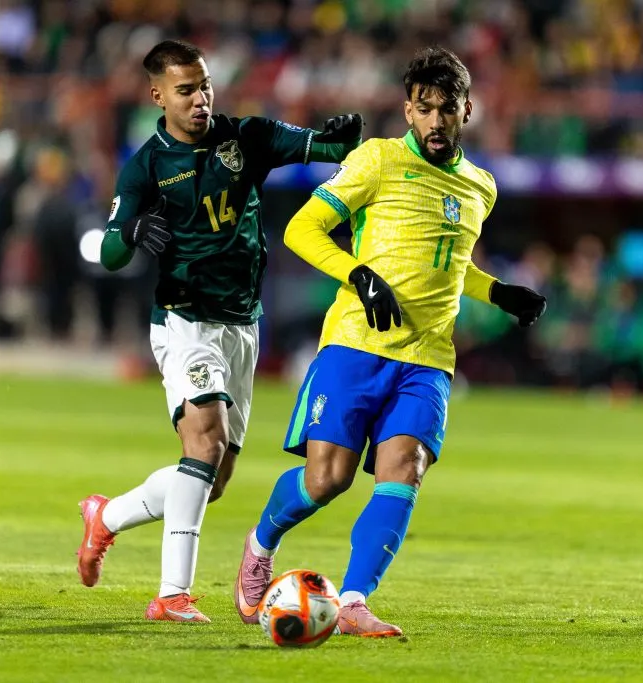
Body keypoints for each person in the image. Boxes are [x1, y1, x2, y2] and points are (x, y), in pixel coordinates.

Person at [233, 46, 547, 637]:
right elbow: (303, 228)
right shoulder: (376, 161)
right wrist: (360, 274)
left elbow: (449, 265)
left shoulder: (482, 187)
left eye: (446, 109)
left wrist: (498, 291)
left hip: (428, 358)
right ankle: (260, 543)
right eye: (424, 108)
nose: (434, 120)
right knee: (328, 480)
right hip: (356, 343)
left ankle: (352, 600)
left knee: (406, 468)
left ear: (466, 111)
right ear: (407, 110)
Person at [76, 39, 364, 623]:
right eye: (186, 90)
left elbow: (324, 146)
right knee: (202, 444)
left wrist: (344, 134)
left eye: (205, 85)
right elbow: (107, 252)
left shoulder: (244, 138)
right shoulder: (146, 166)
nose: (201, 99)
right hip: (185, 322)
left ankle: (104, 517)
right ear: (158, 96)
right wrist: (135, 230)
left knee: (211, 478)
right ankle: (171, 594)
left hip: (241, 327)